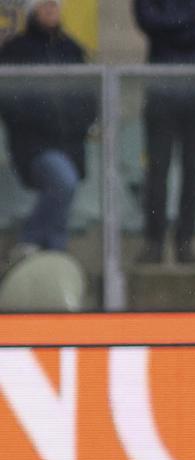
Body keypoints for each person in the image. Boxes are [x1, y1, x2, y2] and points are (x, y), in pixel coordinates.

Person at [0, 0, 97, 263]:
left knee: (63, 192)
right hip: (34, 144)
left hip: (70, 142)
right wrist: (41, 119)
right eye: (45, 6)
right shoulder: (17, 51)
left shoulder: (71, 49)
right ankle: (30, 240)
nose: (51, 11)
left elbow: (90, 96)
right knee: (63, 182)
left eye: (54, 6)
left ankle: (55, 255)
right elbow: (10, 101)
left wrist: (78, 122)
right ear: (33, 12)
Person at [133, 0, 195, 264]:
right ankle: (154, 241)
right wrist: (192, 18)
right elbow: (147, 21)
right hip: (161, 91)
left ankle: (185, 242)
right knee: (157, 169)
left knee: (193, 169)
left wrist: (172, 24)